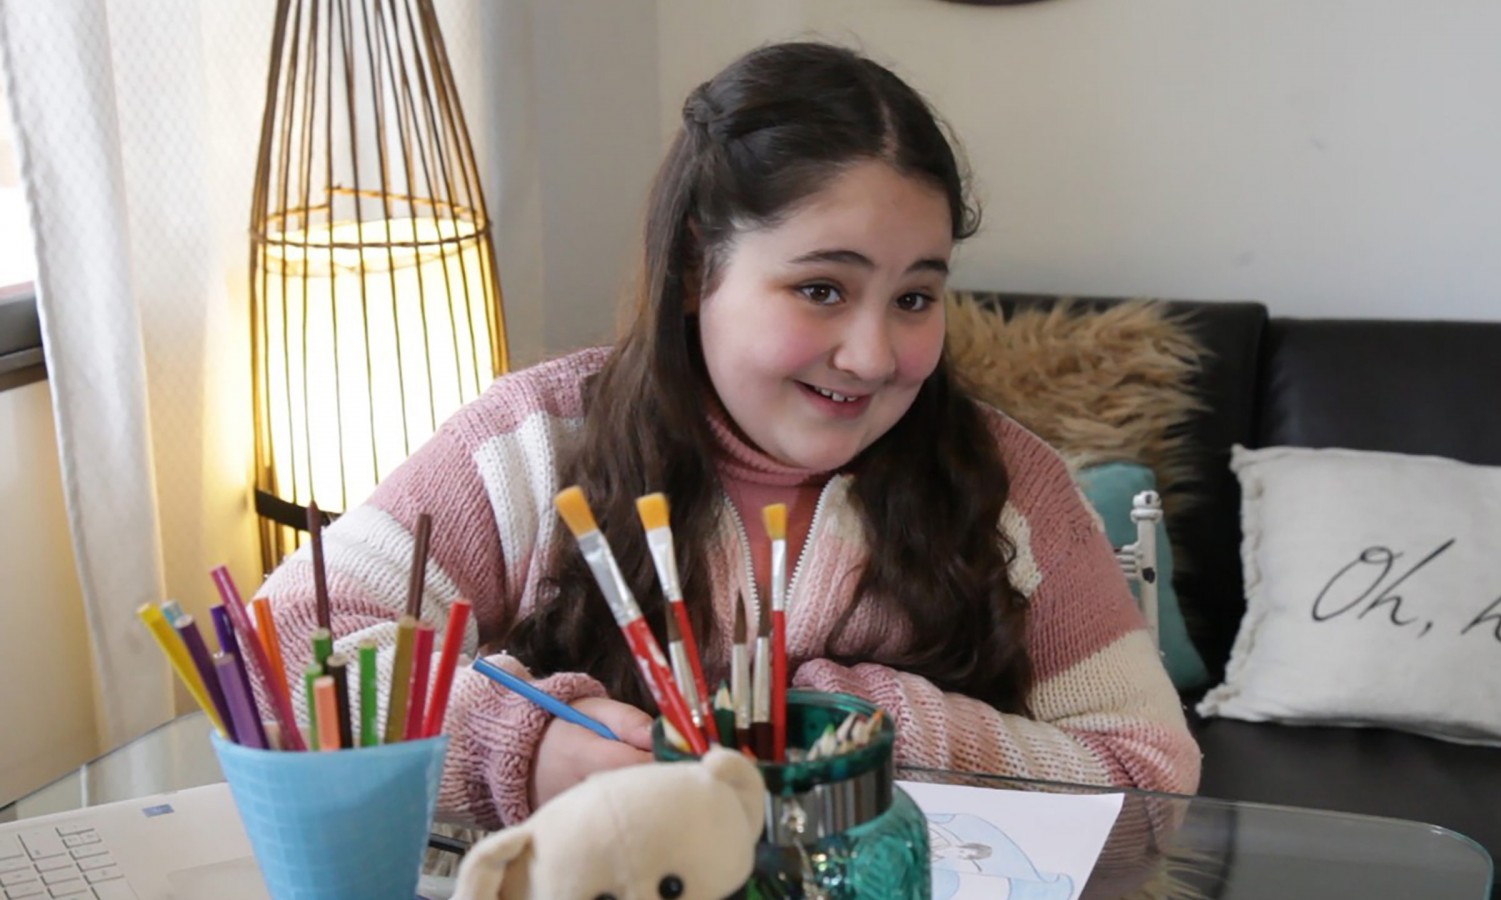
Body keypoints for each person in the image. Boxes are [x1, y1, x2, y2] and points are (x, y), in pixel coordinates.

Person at [257, 40, 1201, 829]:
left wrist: (873, 724)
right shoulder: (534, 446)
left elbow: (1150, 770)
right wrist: (531, 749)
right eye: (821, 288)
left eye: (915, 296)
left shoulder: (1011, 489)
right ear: (693, 268)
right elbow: (287, 644)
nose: (873, 355)